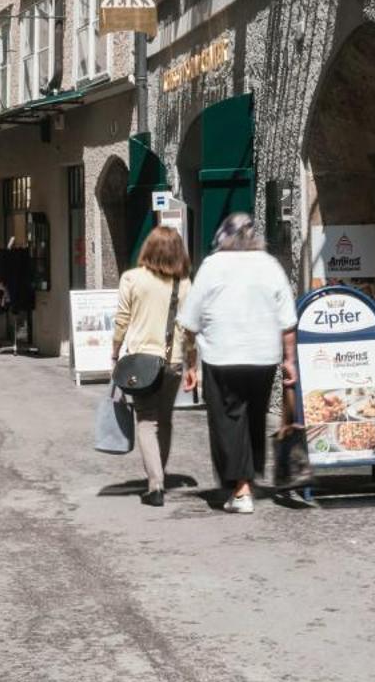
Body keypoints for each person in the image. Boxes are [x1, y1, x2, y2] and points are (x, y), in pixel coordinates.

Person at [179, 212, 297, 514]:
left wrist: (189, 363)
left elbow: (190, 322)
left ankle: (241, 488)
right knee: (253, 415)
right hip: (262, 356)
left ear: (222, 236)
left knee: (227, 418)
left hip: (223, 355)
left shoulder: (212, 266)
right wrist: (289, 361)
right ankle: (247, 477)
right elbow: (287, 321)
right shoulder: (269, 265)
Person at [110, 226, 192, 507]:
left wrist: (114, 350)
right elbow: (189, 328)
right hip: (173, 361)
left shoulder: (132, 279)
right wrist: (192, 363)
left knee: (146, 420)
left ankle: (154, 485)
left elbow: (122, 319)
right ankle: (161, 475)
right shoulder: (183, 283)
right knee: (165, 419)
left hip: (141, 362)